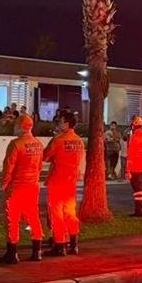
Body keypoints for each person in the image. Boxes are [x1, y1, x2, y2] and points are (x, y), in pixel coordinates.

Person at [0, 115, 45, 264]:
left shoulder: (16, 144)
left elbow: (9, 166)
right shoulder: (38, 144)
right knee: (33, 216)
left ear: (22, 126)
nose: (14, 127)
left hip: (17, 186)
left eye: (16, 124)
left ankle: (12, 253)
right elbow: (39, 167)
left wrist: (4, 183)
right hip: (32, 186)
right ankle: (37, 251)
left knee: (13, 219)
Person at [42, 110, 85, 256]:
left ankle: (60, 245)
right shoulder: (79, 141)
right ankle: (74, 244)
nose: (58, 124)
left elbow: (45, 156)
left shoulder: (58, 140)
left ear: (67, 124)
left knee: (56, 214)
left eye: (60, 121)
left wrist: (52, 141)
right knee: (70, 213)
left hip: (57, 181)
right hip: (71, 182)